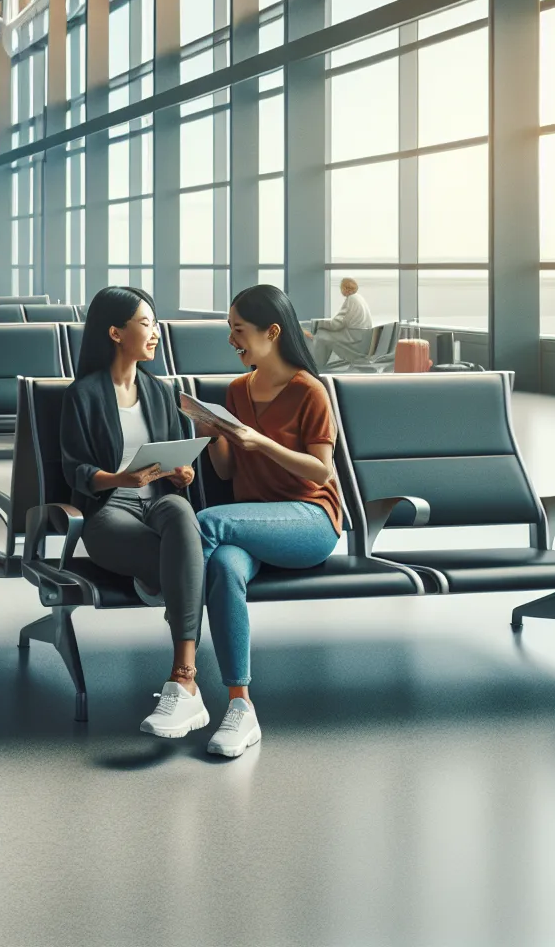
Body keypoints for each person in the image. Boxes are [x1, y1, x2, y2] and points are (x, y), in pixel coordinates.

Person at [196, 284, 345, 758]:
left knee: (206, 524)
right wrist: (214, 435)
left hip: (307, 521)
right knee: (222, 567)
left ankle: (171, 622)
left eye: (238, 330)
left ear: (271, 332)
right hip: (253, 522)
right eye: (230, 330)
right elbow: (226, 471)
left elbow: (322, 470)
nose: (232, 340)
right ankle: (241, 707)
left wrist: (261, 443)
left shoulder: (310, 391)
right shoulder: (238, 390)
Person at [56, 287, 205, 740]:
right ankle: (171, 582)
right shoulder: (82, 395)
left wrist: (183, 474)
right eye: (147, 323)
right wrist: (117, 479)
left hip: (158, 498)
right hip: (110, 507)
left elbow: (179, 459)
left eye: (156, 323)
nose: (156, 332)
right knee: (187, 557)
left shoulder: (162, 393)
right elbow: (74, 470)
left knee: (181, 513)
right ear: (116, 333)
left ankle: (184, 677)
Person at [306, 276, 372, 367]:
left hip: (354, 338)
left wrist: (319, 324)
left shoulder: (351, 299)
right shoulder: (359, 298)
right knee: (325, 335)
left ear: (345, 288)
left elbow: (336, 324)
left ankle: (316, 366)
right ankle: (319, 365)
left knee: (321, 335)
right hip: (361, 336)